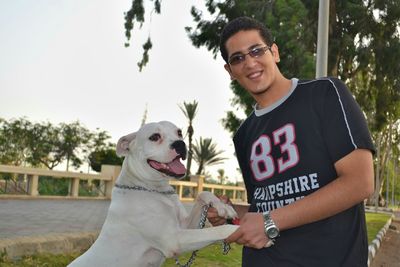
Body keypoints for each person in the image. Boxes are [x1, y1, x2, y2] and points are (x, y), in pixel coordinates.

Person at [207, 16, 375, 266]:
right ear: (230, 71)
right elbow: (268, 204)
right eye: (238, 58)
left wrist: (269, 221)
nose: (250, 62)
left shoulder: (325, 94)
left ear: (274, 52)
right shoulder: (244, 135)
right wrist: (231, 214)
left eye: (256, 50)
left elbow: (360, 182)